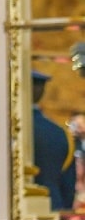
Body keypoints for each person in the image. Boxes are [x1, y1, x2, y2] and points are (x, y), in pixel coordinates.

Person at [31, 71, 76, 211]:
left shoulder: (3, 129)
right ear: (43, 91)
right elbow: (68, 186)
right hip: (53, 210)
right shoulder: (60, 134)